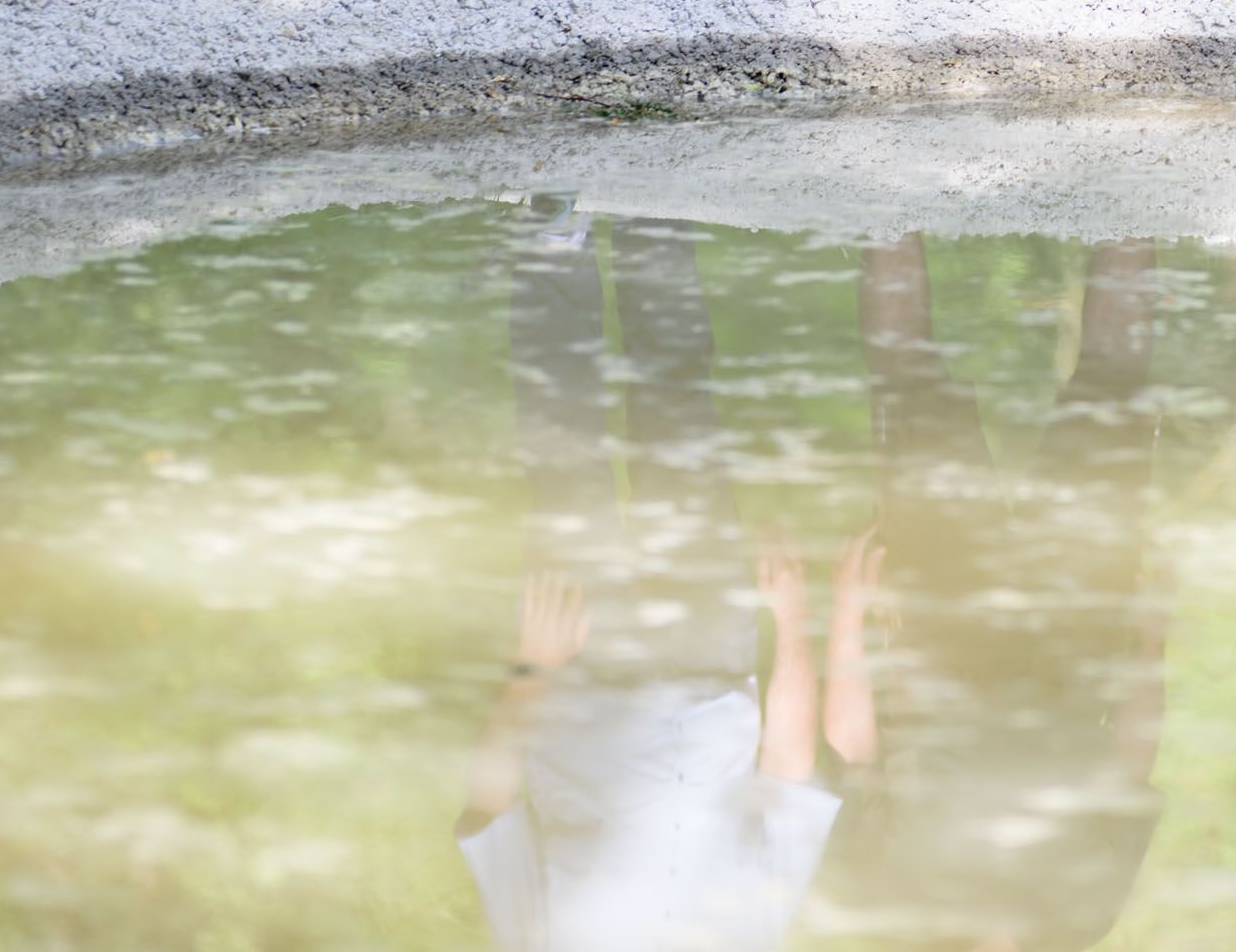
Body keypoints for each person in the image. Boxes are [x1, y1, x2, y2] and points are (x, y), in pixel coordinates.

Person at [454, 206, 854, 952]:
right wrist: (791, 620)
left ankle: (553, 243)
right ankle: (656, 219)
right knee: (680, 415)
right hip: (713, 648)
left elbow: (489, 805)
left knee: (563, 443)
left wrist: (530, 670)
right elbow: (788, 777)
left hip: (578, 661)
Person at [802, 234, 1175, 951]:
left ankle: (890, 189)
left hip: (933, 635)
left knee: (906, 380)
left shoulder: (894, 903)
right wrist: (1153, 630)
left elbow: (856, 751)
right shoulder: (1083, 919)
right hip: (1080, 636)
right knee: (1115, 388)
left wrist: (848, 612)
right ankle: (1137, 197)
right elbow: (1133, 760)